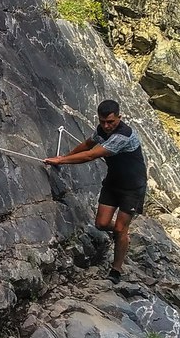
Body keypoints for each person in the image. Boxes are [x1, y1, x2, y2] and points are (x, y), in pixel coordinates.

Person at [44, 99, 148, 284]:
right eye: (102, 122)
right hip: (113, 183)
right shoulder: (102, 130)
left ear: (119, 118)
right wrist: (64, 156)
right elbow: (87, 144)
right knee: (101, 224)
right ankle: (122, 232)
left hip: (132, 189)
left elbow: (91, 155)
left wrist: (61, 162)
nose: (106, 126)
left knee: (119, 230)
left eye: (111, 122)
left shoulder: (123, 136)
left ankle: (116, 269)